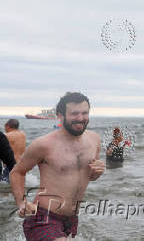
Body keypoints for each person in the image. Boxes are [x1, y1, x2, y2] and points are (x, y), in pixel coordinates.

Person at [10, 92, 105, 240]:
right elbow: (17, 172)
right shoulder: (44, 144)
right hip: (43, 217)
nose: (80, 118)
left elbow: (89, 176)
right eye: (74, 113)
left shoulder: (95, 140)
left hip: (71, 219)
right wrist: (22, 203)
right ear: (60, 115)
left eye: (84, 113)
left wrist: (98, 172)